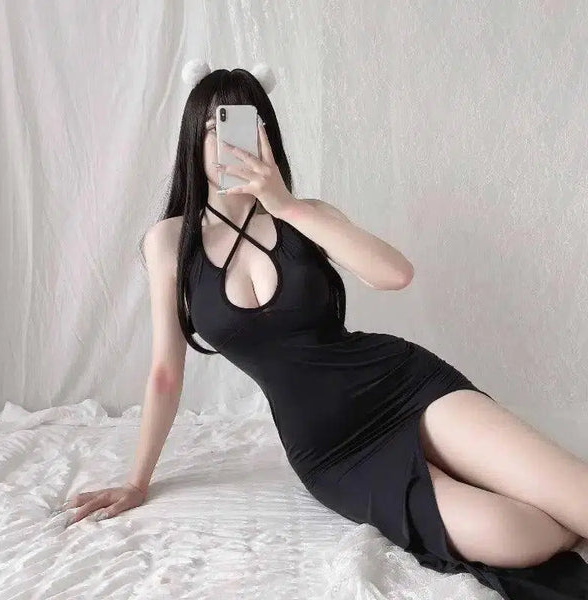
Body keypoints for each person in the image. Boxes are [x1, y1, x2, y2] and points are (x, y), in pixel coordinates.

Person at [55, 61, 588, 599]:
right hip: (335, 450)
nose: (227, 143)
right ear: (193, 136)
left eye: (243, 124)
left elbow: (395, 274)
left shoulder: (303, 214)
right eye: (214, 127)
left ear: (265, 135)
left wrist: (284, 205)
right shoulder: (170, 241)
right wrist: (137, 480)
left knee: (578, 496)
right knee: (512, 535)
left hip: (404, 386)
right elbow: (166, 373)